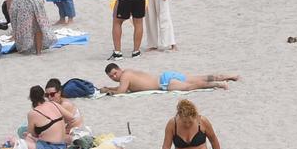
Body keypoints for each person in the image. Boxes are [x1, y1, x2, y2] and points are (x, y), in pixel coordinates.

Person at [100, 63, 240, 93]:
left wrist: (108, 90)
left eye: (114, 73)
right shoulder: (128, 72)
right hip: (166, 76)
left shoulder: (125, 76)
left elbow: (121, 92)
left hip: (164, 83)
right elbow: (121, 88)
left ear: (119, 70)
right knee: (200, 77)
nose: (114, 77)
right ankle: (230, 76)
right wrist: (110, 87)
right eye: (111, 76)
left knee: (190, 87)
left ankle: (220, 84)